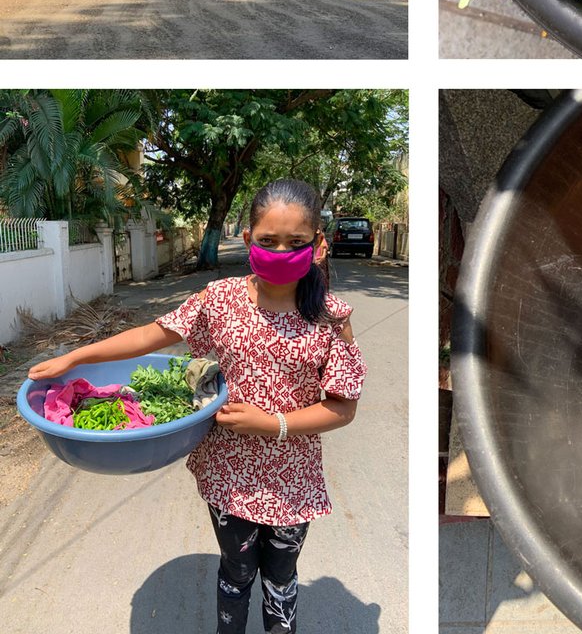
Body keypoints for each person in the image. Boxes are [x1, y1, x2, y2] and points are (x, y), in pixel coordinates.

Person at [29, 178, 366, 634]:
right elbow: (150, 334)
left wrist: (273, 423)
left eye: (296, 242)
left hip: (293, 479)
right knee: (237, 572)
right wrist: (76, 356)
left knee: (282, 578)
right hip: (226, 471)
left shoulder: (331, 317)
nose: (281, 251)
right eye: (268, 241)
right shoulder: (220, 301)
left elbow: (342, 408)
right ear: (249, 240)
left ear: (317, 246)